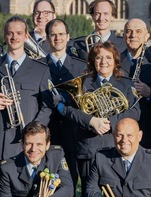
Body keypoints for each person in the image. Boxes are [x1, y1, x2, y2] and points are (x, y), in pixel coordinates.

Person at [0, 17, 53, 166]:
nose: (14, 37)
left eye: (19, 33)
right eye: (10, 33)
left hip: (28, 146)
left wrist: (35, 130)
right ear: (5, 36)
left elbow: (47, 106)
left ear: (26, 36)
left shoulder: (41, 69)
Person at [59, 42, 140, 183]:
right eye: (98, 58)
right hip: (89, 147)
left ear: (115, 61)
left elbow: (135, 112)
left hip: (115, 146)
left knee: (116, 192)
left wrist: (111, 122)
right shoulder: (82, 83)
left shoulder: (127, 84)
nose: (104, 62)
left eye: (108, 57)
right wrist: (92, 121)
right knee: (88, 193)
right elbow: (70, 111)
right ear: (92, 61)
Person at [40, 18, 88, 181]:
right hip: (48, 129)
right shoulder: (37, 66)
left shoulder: (81, 67)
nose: (57, 38)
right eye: (53, 35)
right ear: (47, 38)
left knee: (74, 177)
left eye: (61, 34)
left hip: (74, 130)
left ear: (68, 37)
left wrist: (66, 98)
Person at [122, 17, 151, 152]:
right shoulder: (113, 62)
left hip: (150, 132)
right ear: (123, 36)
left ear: (147, 36)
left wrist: (150, 93)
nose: (133, 35)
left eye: (138, 31)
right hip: (121, 133)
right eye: (129, 31)